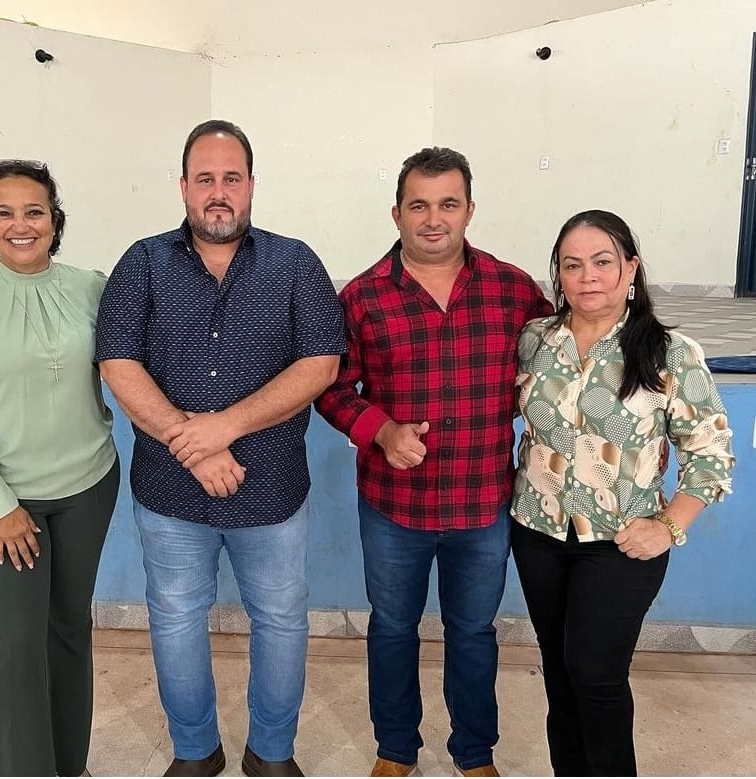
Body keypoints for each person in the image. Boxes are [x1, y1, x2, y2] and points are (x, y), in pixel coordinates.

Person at [96, 119, 344, 778]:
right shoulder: (141, 261)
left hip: (272, 488)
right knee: (177, 620)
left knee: (282, 621)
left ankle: (271, 752)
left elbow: (321, 363)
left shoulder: (296, 262)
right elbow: (118, 363)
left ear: (251, 185)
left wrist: (223, 426)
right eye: (204, 178)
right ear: (183, 186)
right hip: (171, 489)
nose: (218, 192)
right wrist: (195, 444)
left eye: (231, 178)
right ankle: (195, 750)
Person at [315, 146, 553, 778]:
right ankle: (395, 750)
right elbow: (333, 389)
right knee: (393, 630)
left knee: (473, 636)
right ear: (396, 213)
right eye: (418, 205)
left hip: (482, 503)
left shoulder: (513, 290)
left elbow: (566, 369)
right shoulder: (363, 298)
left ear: (470, 209)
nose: (433, 218)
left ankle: (474, 755)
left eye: (448, 204)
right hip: (395, 504)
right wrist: (381, 429)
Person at [510, 209, 734, 777]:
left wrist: (669, 526)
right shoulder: (536, 340)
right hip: (537, 532)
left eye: (603, 262)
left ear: (630, 268)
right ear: (557, 276)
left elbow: (710, 454)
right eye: (573, 265)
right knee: (560, 677)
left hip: (621, 542)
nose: (589, 276)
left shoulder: (669, 352)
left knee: (596, 675)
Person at [0, 160, 119, 777]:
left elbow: (132, 370)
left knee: (69, 628)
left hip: (88, 485)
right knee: (19, 642)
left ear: (54, 220)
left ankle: (70, 764)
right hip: (5, 502)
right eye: (2, 213)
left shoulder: (92, 287)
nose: (19, 224)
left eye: (33, 211)